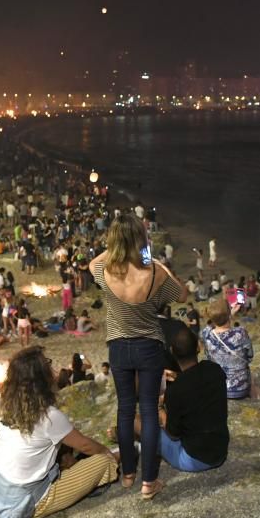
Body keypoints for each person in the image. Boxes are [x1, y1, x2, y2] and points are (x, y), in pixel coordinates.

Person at [89, 213, 185, 499]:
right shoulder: (154, 272)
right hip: (149, 347)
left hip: (118, 346)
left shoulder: (104, 270)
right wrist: (153, 260)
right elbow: (181, 295)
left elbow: (91, 262)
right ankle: (149, 482)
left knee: (124, 409)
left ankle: (128, 474)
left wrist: (116, 243)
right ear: (141, 240)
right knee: (149, 412)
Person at [0, 346, 118, 518]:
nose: (52, 369)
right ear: (41, 378)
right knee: (103, 461)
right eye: (48, 364)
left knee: (63, 451)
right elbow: (86, 445)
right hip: (30, 499)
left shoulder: (8, 407)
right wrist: (109, 452)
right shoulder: (49, 416)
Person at [158, 326, 228, 472]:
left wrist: (160, 409)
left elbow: (173, 434)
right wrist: (179, 378)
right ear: (198, 347)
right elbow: (198, 385)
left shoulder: (175, 391)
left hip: (194, 459)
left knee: (139, 422)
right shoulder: (214, 370)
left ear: (172, 352)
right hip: (220, 451)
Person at [200, 299, 255, 400]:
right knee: (255, 383)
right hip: (241, 389)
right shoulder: (240, 333)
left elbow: (213, 326)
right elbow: (250, 357)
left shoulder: (206, 333)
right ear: (229, 314)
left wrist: (227, 315)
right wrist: (229, 315)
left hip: (220, 388)